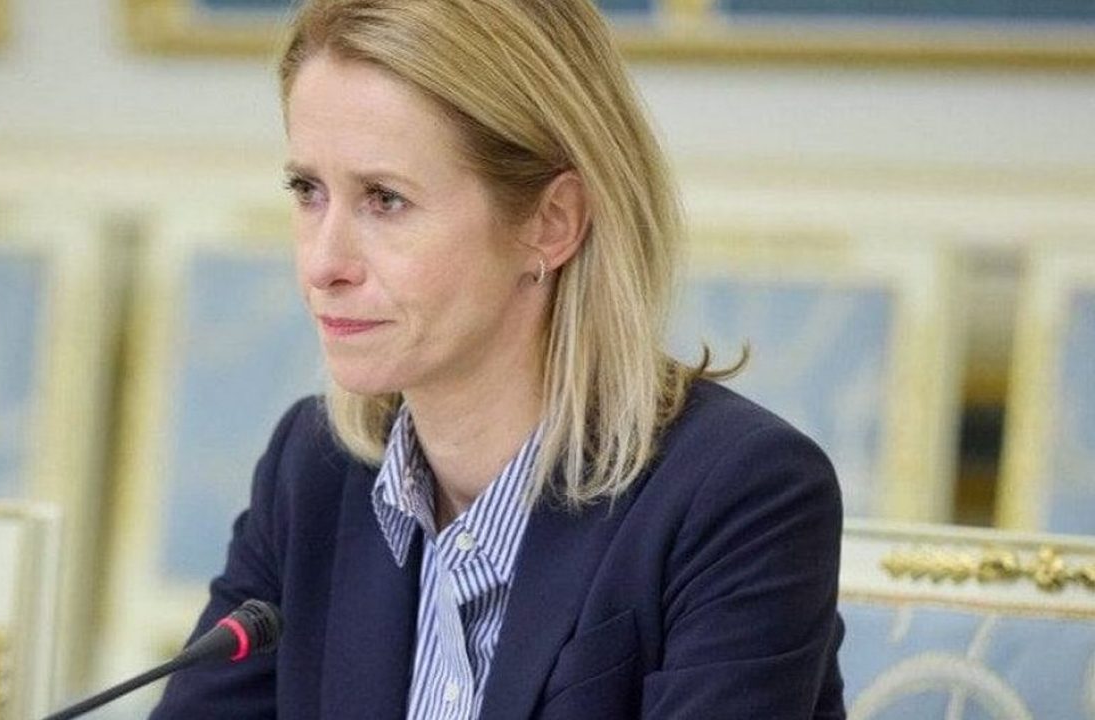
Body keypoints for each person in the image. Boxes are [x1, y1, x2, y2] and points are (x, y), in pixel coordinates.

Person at [150, 0, 845, 717]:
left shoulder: (742, 497)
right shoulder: (314, 470)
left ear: (552, 223)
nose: (323, 264)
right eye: (308, 191)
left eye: (385, 200)